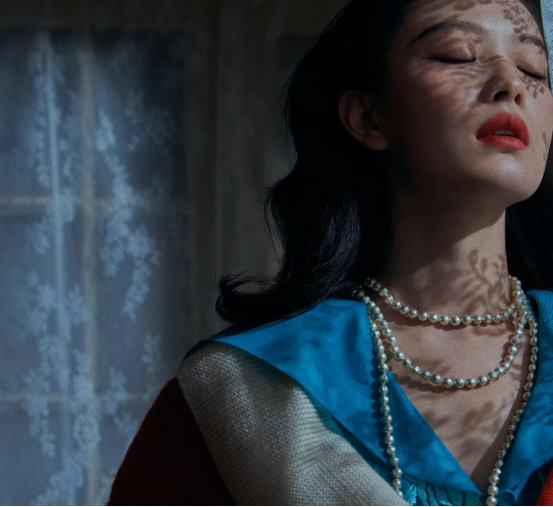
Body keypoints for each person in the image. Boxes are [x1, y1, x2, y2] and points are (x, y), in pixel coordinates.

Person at [108, 0, 553, 505]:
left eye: (533, 69)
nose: (510, 84)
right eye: (457, 55)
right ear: (367, 116)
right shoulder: (244, 386)